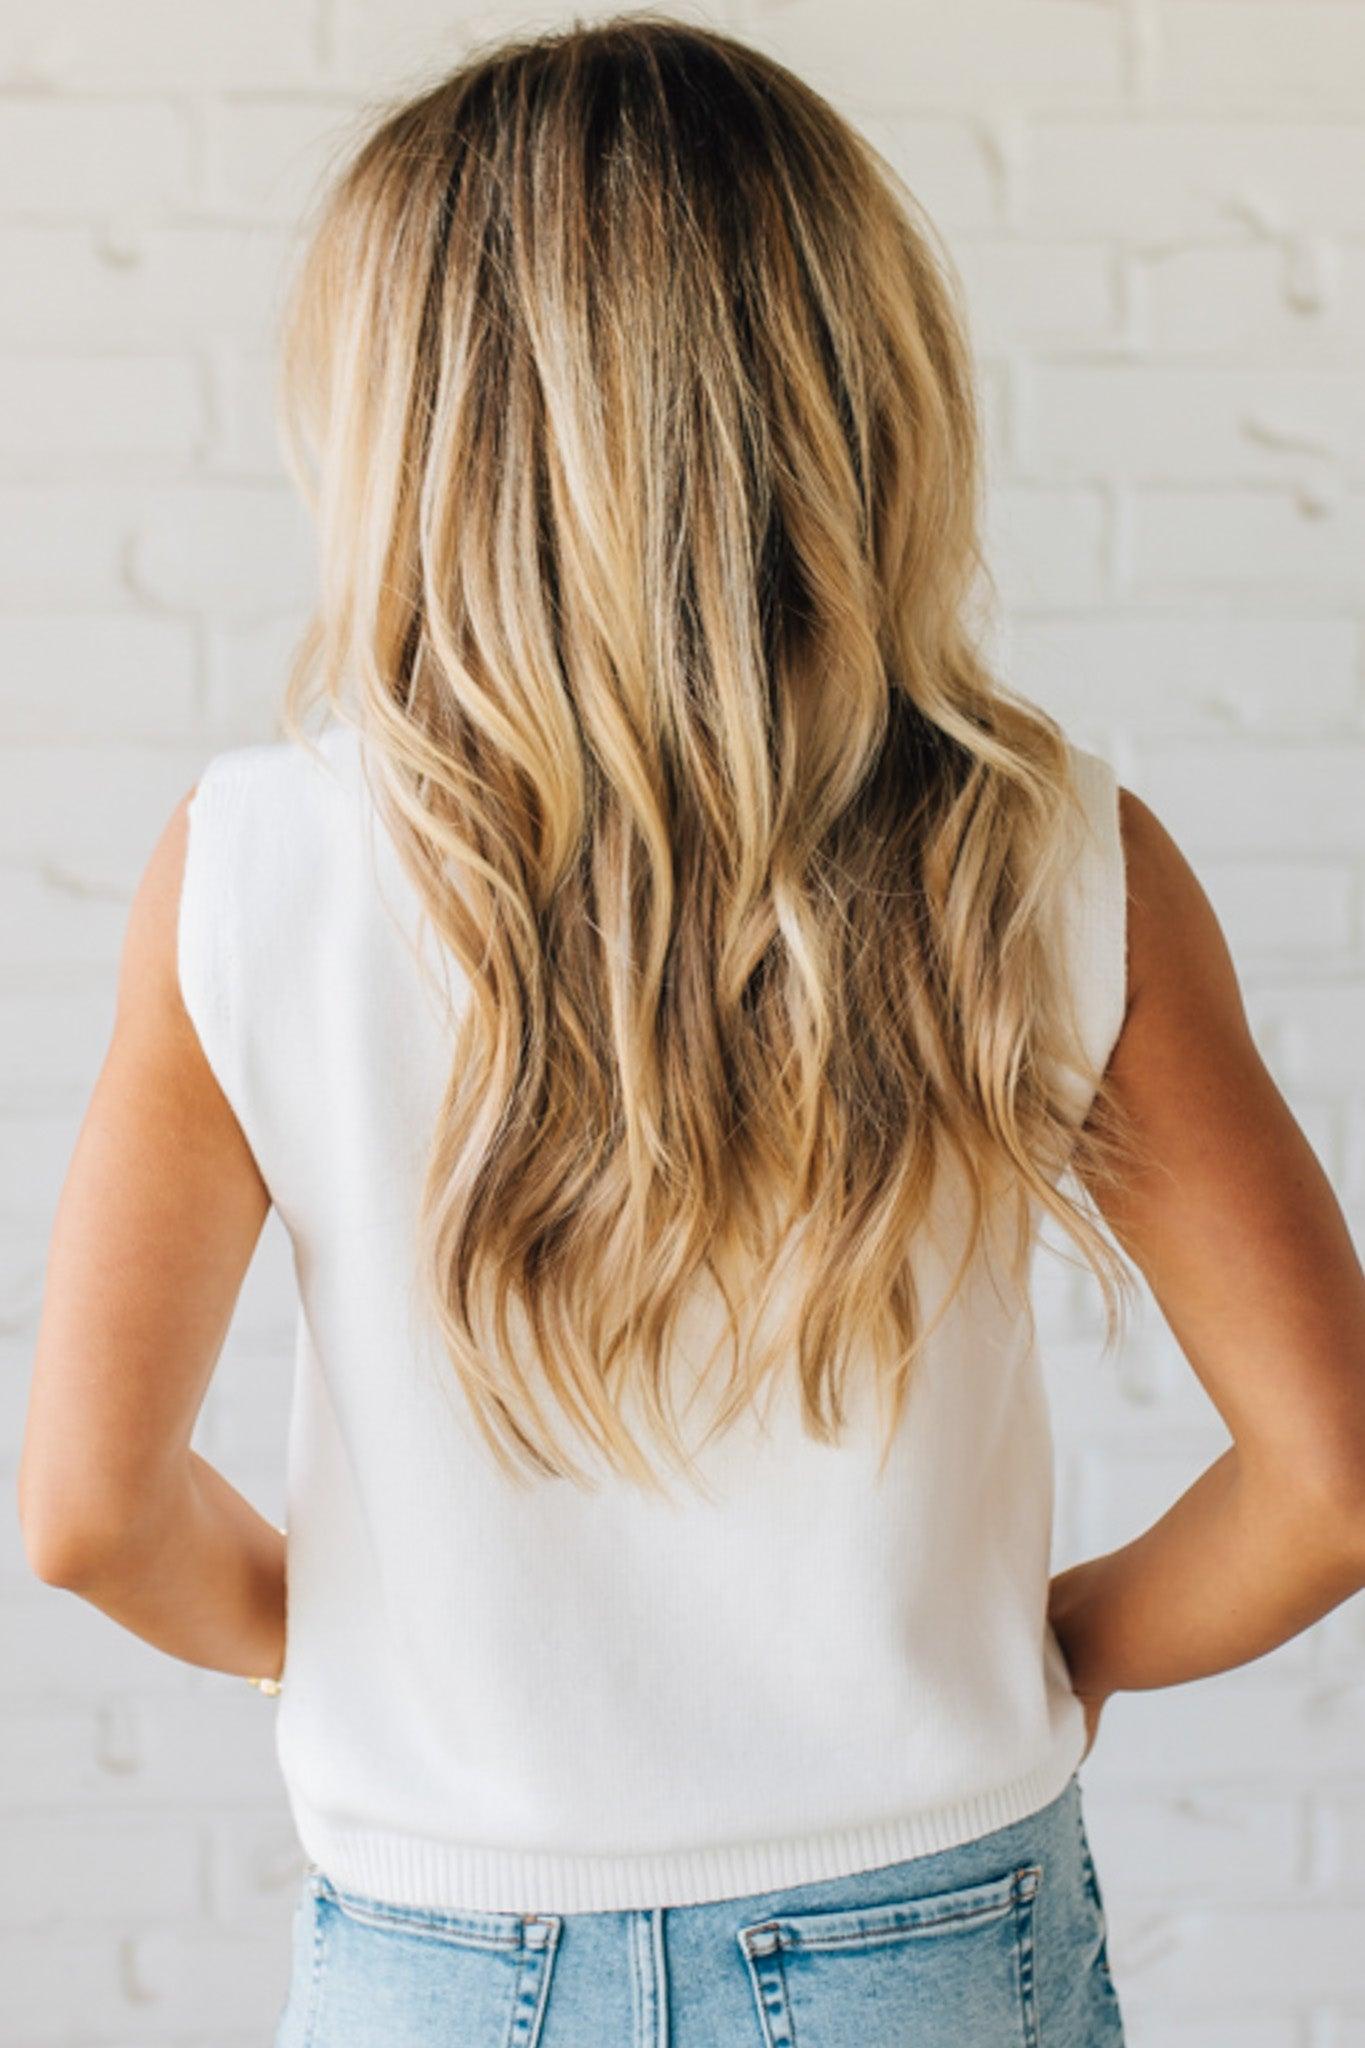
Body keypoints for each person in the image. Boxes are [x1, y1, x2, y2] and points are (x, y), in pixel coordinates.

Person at [18, 13, 1365, 2046]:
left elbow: (89, 1515)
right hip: (925, 1921)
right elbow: (1331, 1484)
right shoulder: (1047, 858)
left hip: (438, 1951)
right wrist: (1066, 1646)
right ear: (854, 386)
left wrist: (337, 1640)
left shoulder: (249, 871)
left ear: (403, 426)